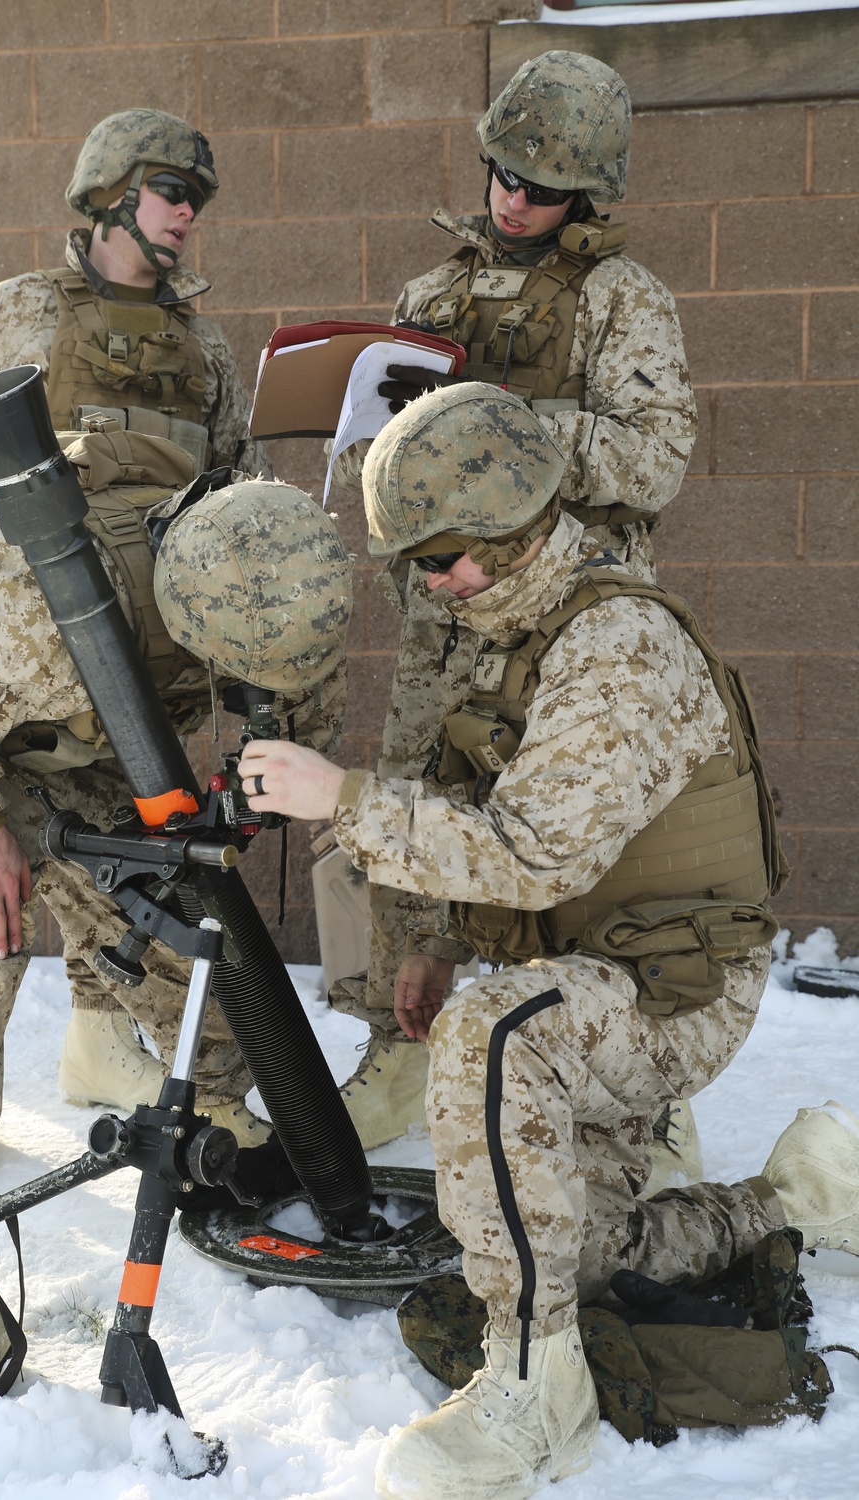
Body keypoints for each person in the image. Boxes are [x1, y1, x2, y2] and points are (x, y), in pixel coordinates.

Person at [238, 384, 859, 1498]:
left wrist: (343, 798)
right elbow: (499, 832)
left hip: (676, 990)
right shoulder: (519, 628)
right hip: (599, 965)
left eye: (441, 559)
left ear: (512, 528)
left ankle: (538, 1386)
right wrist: (438, 942)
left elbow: (537, 855)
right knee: (572, 1252)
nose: (429, 584)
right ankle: (793, 1199)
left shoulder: (615, 645)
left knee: (493, 1030)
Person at [0, 456, 351, 1389]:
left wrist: (261, 770)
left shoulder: (288, 568)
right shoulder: (33, 612)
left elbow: (292, 695)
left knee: (180, 925)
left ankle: (207, 1101)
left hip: (78, 725)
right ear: (190, 623)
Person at [323, 52, 701, 1169]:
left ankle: (641, 1097)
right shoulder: (432, 295)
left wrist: (502, 423)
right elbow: (386, 465)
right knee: (413, 814)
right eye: (499, 171)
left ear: (585, 191)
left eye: (537, 185)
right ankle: (400, 1047)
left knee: (590, 849)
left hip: (569, 625)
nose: (510, 199)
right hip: (445, 621)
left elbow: (654, 460)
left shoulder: (623, 302)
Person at [0, 107, 274, 1124]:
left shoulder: (204, 351)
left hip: (108, 704)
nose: (189, 215)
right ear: (110, 193)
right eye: (171, 191)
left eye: (200, 201)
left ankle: (223, 1127)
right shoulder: (17, 312)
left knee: (197, 952)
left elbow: (237, 500)